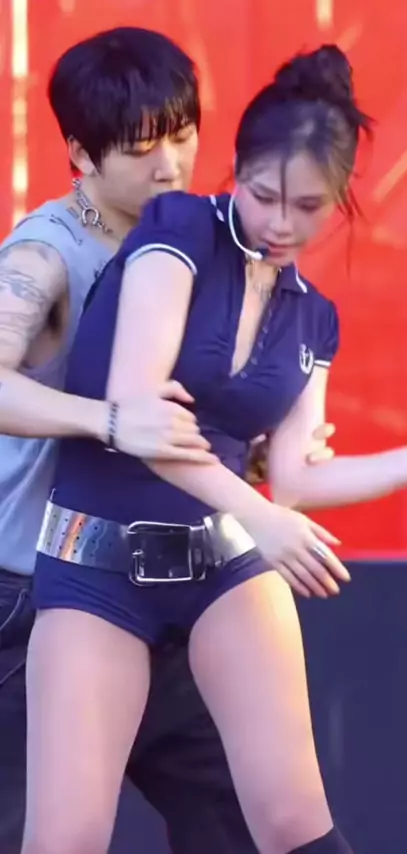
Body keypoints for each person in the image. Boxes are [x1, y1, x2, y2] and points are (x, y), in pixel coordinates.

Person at [24, 39, 407, 854]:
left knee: (293, 821)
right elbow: (142, 413)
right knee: (68, 837)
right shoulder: (175, 229)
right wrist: (260, 515)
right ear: (236, 171)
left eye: (308, 206)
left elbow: (298, 479)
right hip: (96, 564)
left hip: (223, 565)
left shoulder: (314, 317)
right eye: (265, 196)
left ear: (338, 200)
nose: (280, 223)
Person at [0, 26, 272, 854]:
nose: (171, 165)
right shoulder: (47, 253)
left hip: (164, 586)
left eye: (182, 136)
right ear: (80, 154)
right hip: (31, 596)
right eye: (141, 148)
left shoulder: (196, 238)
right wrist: (111, 419)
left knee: (244, 819)